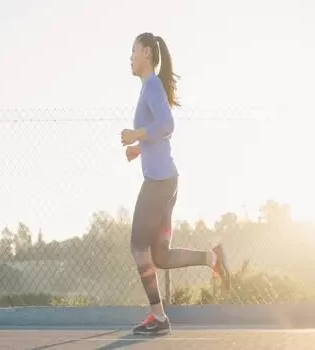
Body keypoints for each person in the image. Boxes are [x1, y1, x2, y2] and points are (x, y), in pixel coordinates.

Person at [120, 32, 231, 336]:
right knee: (160, 256)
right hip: (167, 180)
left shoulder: (151, 86)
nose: (129, 58)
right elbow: (161, 132)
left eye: (132, 51)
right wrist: (139, 148)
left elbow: (167, 125)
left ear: (146, 52)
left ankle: (158, 317)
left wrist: (136, 135)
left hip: (158, 182)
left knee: (137, 246)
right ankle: (213, 258)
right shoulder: (149, 88)